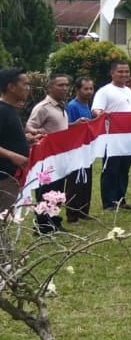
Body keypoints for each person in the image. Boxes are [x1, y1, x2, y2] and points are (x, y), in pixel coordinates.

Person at [94, 59, 131, 210]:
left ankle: (120, 199)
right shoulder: (105, 91)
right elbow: (96, 110)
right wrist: (102, 114)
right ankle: (108, 202)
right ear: (112, 73)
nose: (124, 74)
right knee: (111, 169)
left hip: (128, 138)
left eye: (126, 71)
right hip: (112, 138)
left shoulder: (129, 91)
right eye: (120, 71)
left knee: (124, 169)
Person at [27, 72, 70, 225]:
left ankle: (54, 222)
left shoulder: (61, 107)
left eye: (66, 85)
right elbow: (30, 126)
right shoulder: (43, 108)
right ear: (50, 87)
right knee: (45, 191)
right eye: (60, 85)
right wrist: (39, 132)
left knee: (58, 191)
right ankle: (43, 225)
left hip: (60, 156)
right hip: (47, 159)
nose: (64, 88)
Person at [0, 67, 33, 213]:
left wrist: (26, 140)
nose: (28, 88)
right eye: (24, 84)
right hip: (3, 177)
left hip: (12, 175)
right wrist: (12, 156)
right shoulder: (2, 110)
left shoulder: (10, 109)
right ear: (11, 87)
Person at [64, 75, 96, 222]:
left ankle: (83, 211)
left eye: (91, 88)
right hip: (75, 149)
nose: (89, 91)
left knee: (86, 180)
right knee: (74, 182)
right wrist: (76, 124)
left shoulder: (87, 105)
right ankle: (72, 215)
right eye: (86, 89)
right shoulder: (72, 106)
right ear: (78, 89)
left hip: (86, 148)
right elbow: (66, 127)